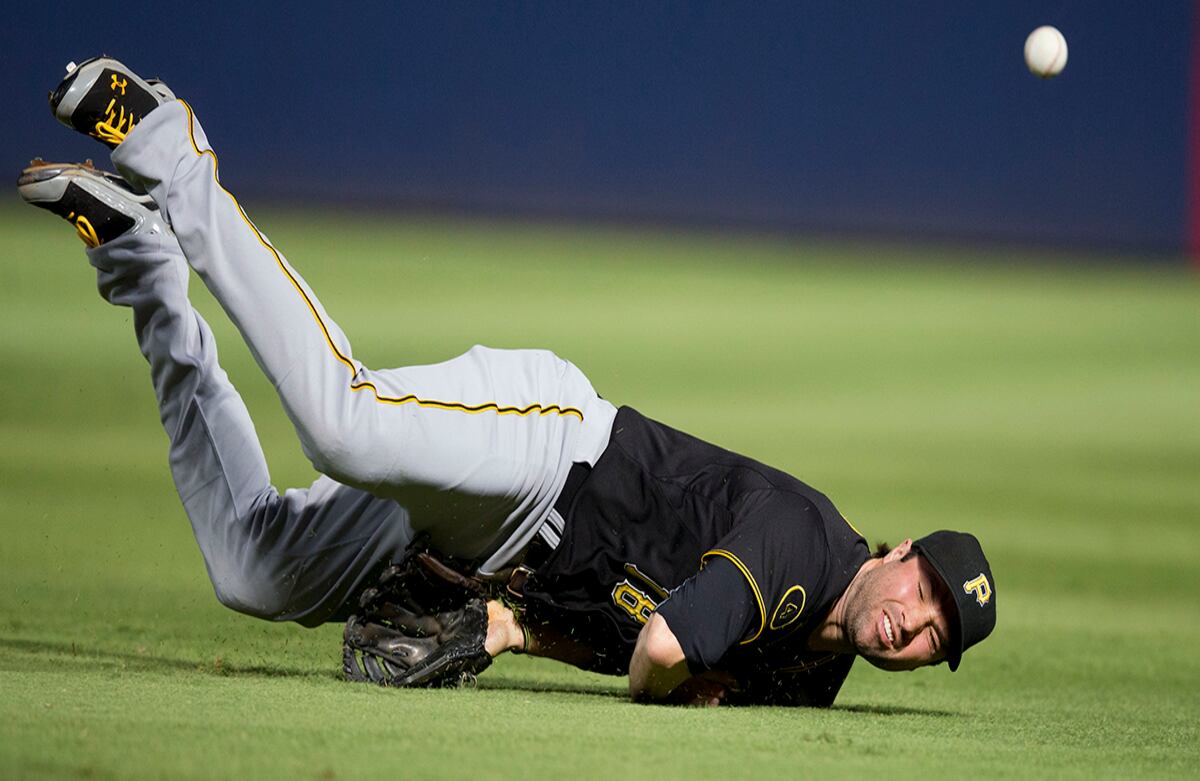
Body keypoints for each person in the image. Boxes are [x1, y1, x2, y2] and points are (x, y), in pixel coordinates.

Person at [19, 56, 996, 707]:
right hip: (543, 450)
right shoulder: (803, 541)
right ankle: (169, 147)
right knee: (345, 425)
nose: (913, 623)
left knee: (252, 566)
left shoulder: (808, 676)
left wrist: (516, 631)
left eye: (935, 636)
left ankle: (143, 268)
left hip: (499, 553)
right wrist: (673, 677)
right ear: (900, 549)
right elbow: (658, 651)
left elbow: (626, 632)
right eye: (928, 592)